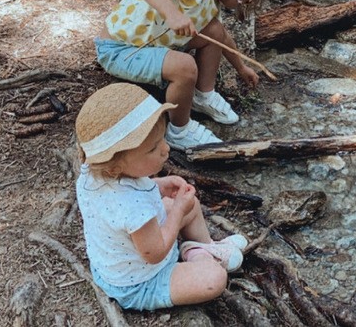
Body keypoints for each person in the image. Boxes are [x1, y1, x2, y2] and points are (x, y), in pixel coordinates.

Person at [75, 83, 249, 311]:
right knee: (214, 279)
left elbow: (117, 202)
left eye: (162, 139)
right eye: (153, 148)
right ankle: (201, 258)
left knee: (189, 204)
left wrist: (157, 185)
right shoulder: (131, 207)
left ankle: (206, 246)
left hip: (118, 259)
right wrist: (176, 211)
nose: (166, 149)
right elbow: (154, 253)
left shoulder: (93, 173)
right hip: (140, 282)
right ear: (114, 165)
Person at [96, 0, 270, 150]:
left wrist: (241, 67)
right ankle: (179, 131)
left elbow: (222, 38)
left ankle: (203, 95)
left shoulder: (211, 3)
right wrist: (172, 15)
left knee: (215, 30)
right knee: (185, 66)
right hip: (121, 50)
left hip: (153, 45)